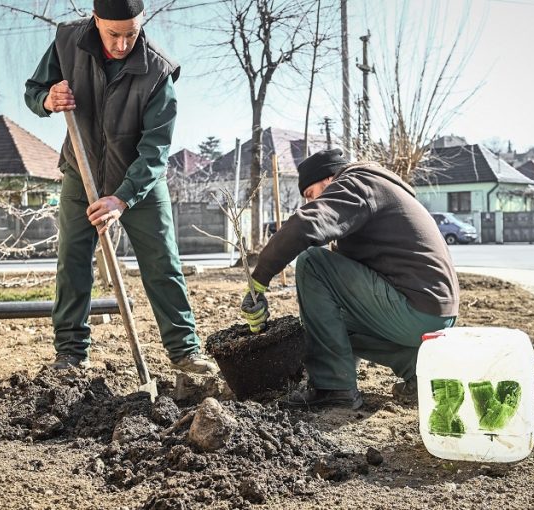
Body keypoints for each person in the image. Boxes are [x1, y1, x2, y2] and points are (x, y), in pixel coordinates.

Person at [24, 0, 217, 374]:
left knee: (162, 263)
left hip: (139, 182)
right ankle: (70, 354)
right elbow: (34, 90)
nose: (123, 43)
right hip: (82, 173)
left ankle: (185, 352)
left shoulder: (157, 69)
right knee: (73, 263)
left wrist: (123, 197)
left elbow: (156, 148)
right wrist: (47, 100)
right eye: (113, 33)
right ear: (95, 20)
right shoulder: (68, 41)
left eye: (132, 33)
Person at [241, 148, 459, 409]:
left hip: (416, 309)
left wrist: (260, 279)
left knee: (313, 262)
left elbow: (306, 224)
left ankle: (333, 388)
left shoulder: (357, 184)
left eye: (311, 194)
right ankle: (420, 373)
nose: (310, 203)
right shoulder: (375, 192)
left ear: (330, 180)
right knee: (333, 321)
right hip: (434, 314)